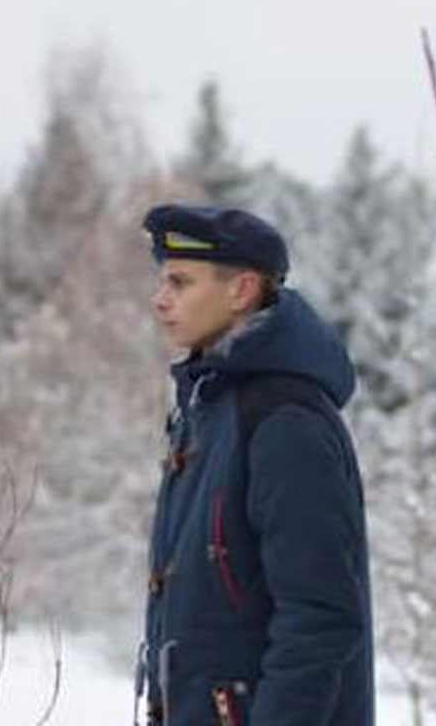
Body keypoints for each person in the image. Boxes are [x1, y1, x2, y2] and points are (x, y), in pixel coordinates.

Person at [137, 203, 374, 726]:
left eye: (180, 282)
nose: (160, 300)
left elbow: (319, 619)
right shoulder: (208, 408)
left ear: (241, 290)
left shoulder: (284, 421)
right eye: (162, 281)